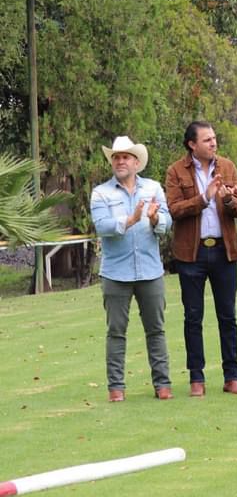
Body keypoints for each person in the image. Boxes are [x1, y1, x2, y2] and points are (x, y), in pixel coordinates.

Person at [164, 121, 237, 397]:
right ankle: (196, 379)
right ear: (192, 144)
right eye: (207, 140)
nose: (213, 143)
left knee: (228, 316)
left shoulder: (227, 166)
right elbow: (174, 210)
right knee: (193, 317)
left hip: (224, 251)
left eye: (214, 138)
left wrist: (227, 201)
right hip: (192, 253)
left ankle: (232, 377)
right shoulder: (176, 171)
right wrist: (204, 198)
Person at [90, 136, 173, 402]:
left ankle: (163, 385)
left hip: (150, 271)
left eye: (125, 157)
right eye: (116, 157)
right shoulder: (101, 192)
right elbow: (102, 226)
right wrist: (130, 219)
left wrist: (155, 218)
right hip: (116, 273)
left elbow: (167, 223)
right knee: (116, 332)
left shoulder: (153, 188)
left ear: (137, 162)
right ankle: (116, 388)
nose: (120, 161)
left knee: (156, 330)